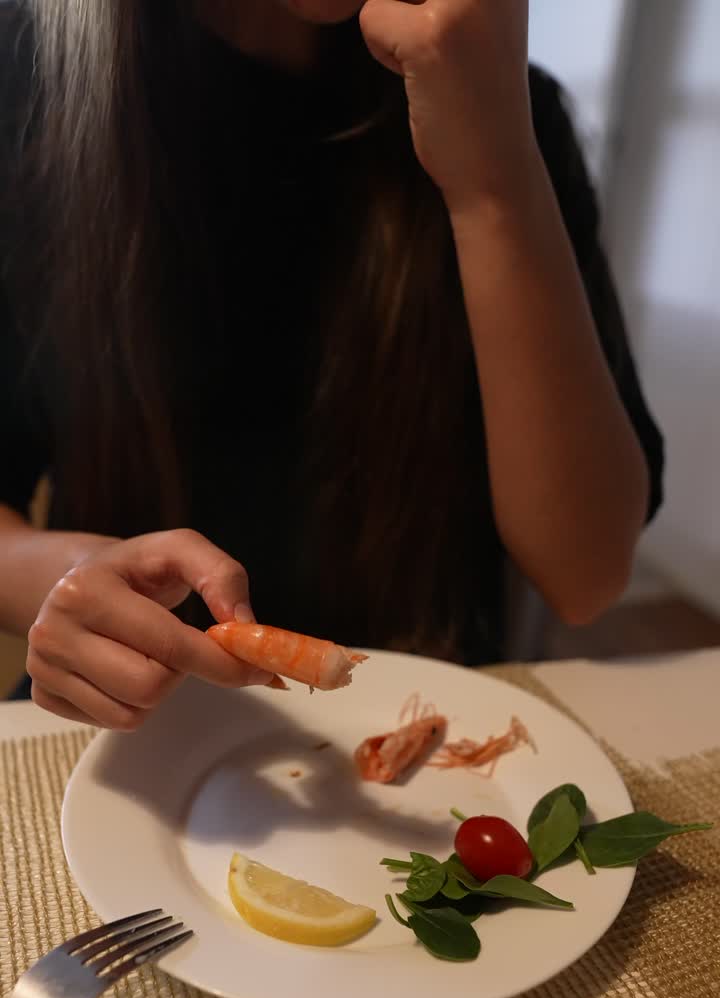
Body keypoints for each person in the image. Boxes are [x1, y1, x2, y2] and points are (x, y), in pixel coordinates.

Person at [0, 0, 663, 730]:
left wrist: (494, 180)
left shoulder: (502, 102)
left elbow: (589, 574)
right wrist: (59, 580)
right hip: (123, 738)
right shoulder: (25, 74)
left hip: (420, 752)